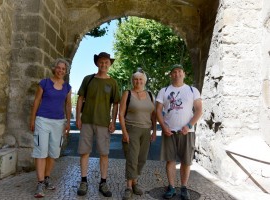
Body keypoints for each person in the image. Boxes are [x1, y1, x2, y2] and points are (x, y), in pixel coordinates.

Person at [75, 52, 120, 197]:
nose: (104, 64)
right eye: (101, 62)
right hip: (87, 121)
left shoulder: (112, 82)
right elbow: (80, 99)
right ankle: (83, 181)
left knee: (104, 153)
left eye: (106, 62)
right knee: (84, 152)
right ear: (97, 63)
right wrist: (78, 118)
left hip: (103, 123)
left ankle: (103, 182)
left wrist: (113, 121)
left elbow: (115, 103)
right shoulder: (88, 79)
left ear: (110, 64)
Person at [156, 64, 202, 200]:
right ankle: (171, 187)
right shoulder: (164, 91)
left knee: (186, 161)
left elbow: (199, 110)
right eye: (174, 72)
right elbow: (158, 110)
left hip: (187, 132)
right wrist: (163, 126)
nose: (177, 74)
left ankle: (184, 187)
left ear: (184, 74)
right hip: (169, 131)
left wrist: (189, 125)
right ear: (171, 75)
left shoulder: (192, 90)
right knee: (170, 160)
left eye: (179, 71)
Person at [30, 58, 72, 198]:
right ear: (54, 68)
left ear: (65, 72)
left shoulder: (67, 87)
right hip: (42, 120)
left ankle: (47, 178)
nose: (61, 70)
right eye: (59, 68)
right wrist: (32, 119)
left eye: (63, 69)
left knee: (53, 153)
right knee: (41, 151)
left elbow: (67, 104)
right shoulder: (45, 83)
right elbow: (36, 101)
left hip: (58, 122)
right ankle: (40, 183)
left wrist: (67, 122)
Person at [119, 69, 157, 200]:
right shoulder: (127, 94)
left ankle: (135, 181)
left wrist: (154, 131)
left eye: (141, 79)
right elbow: (121, 114)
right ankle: (129, 187)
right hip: (132, 129)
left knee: (142, 159)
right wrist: (124, 132)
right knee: (132, 158)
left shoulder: (151, 95)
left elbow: (154, 115)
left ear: (144, 81)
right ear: (132, 81)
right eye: (135, 79)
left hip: (146, 130)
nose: (138, 81)